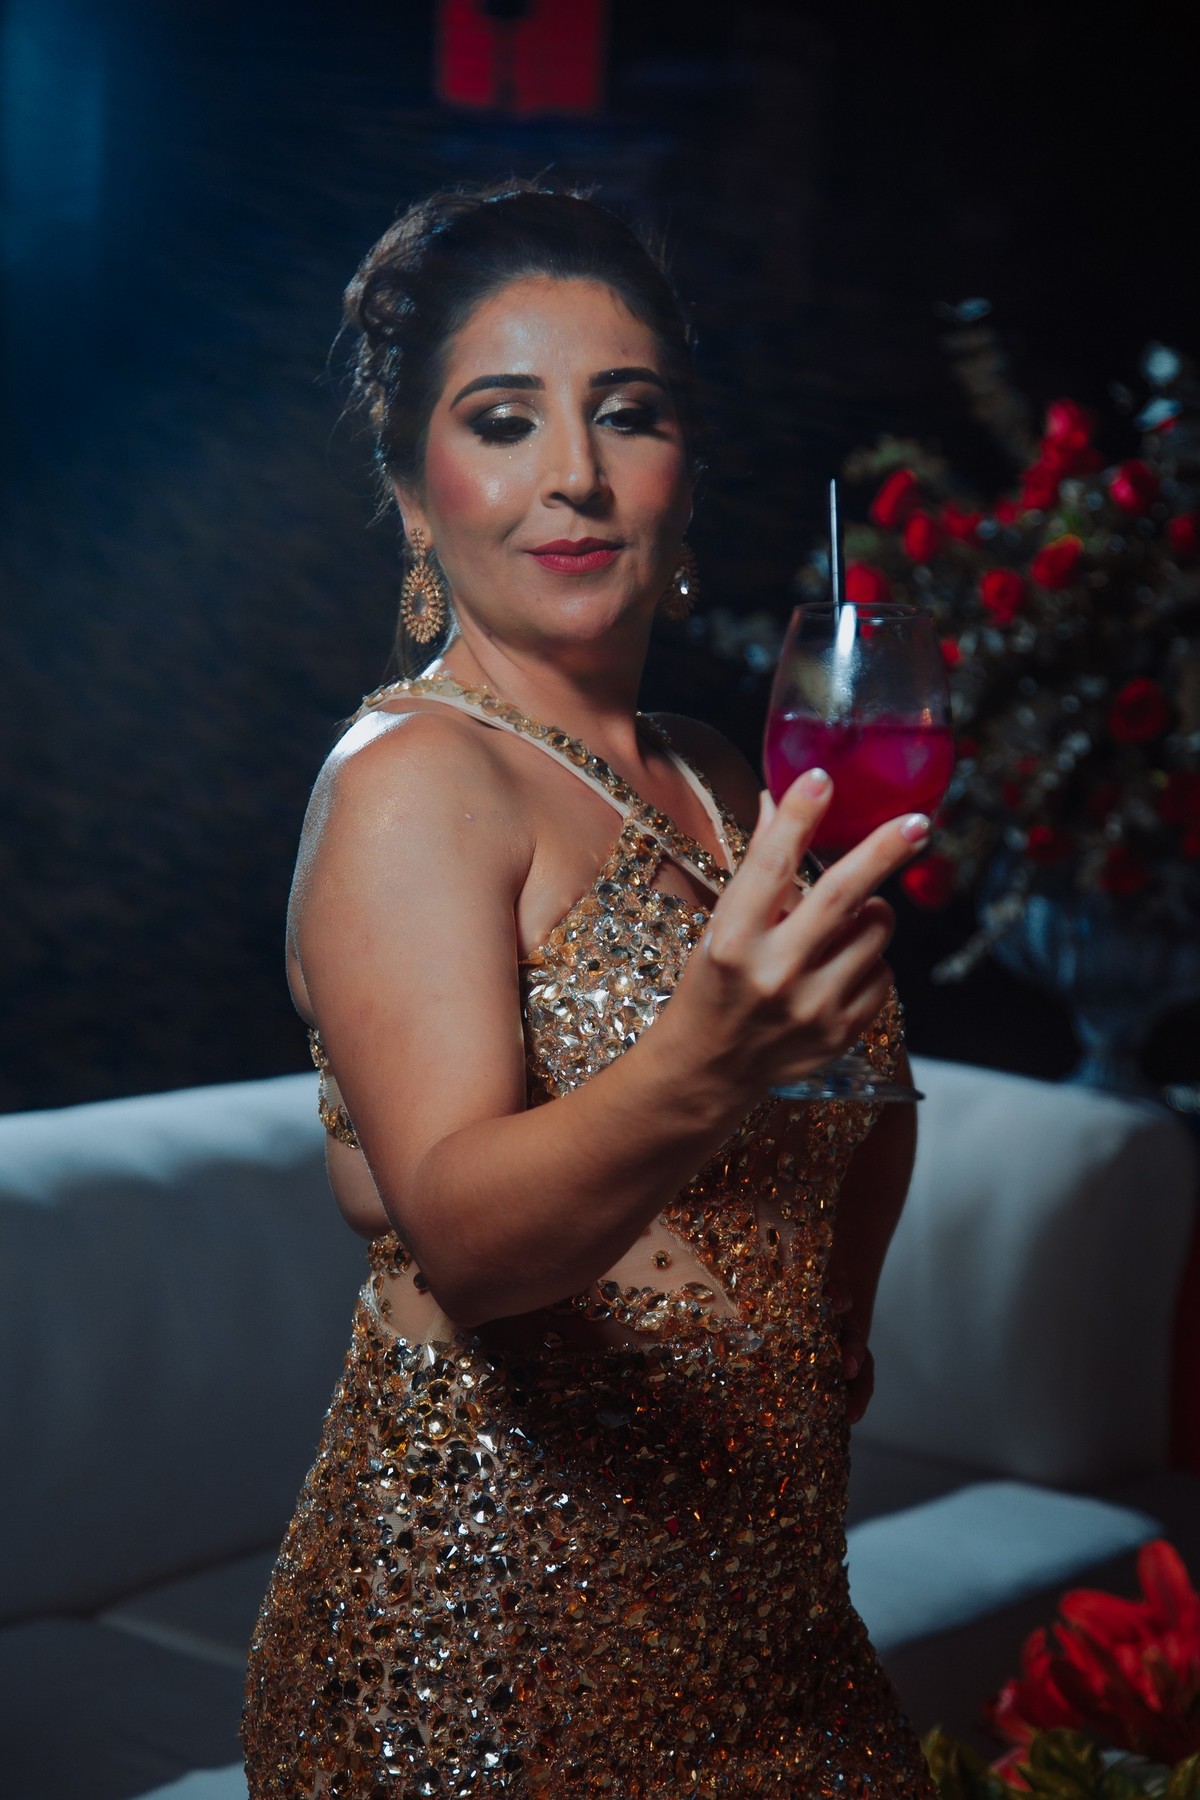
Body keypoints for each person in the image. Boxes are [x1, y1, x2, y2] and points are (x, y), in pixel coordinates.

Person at [242, 180, 937, 1798]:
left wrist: (824, 1324)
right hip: (485, 1674)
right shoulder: (415, 781)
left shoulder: (719, 777)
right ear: (414, 495)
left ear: (687, 478)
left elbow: (858, 1085)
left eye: (629, 416)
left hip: (770, 1627)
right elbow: (471, 1244)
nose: (576, 472)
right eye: (504, 421)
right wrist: (706, 1063)